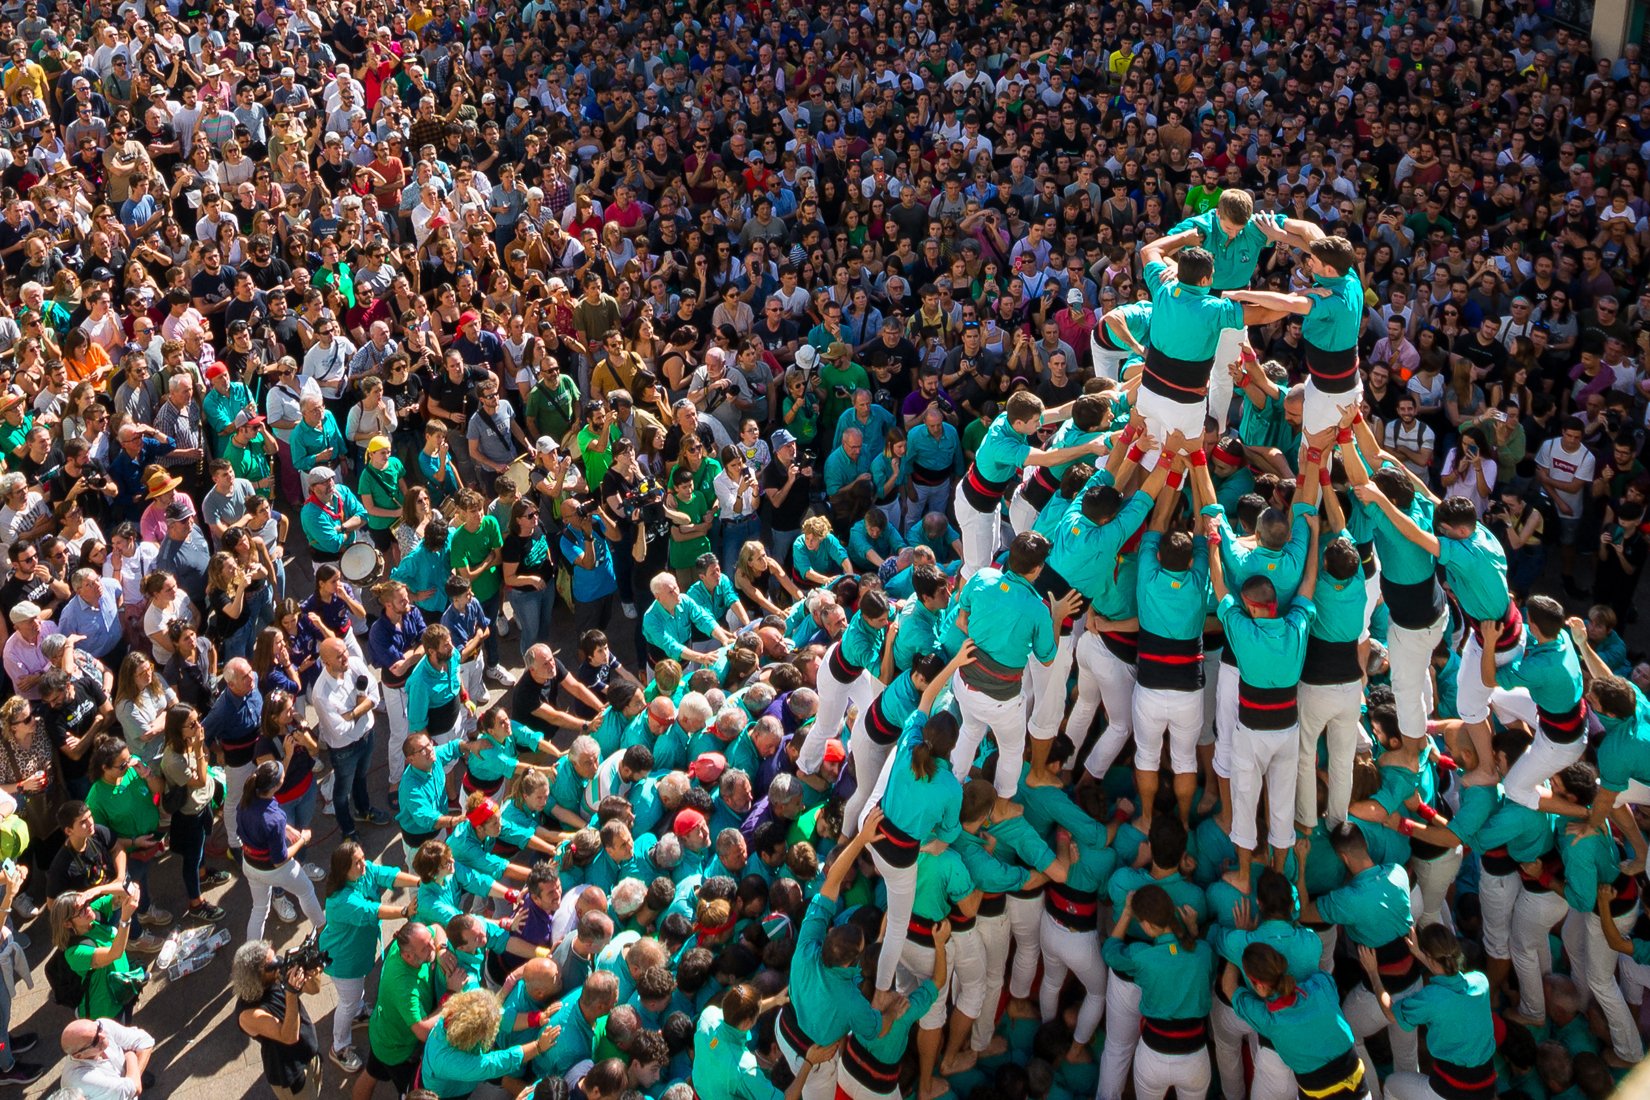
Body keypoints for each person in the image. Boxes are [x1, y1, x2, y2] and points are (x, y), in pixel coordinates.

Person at [318, 840, 420, 1074]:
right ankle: (339, 1047)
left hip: (357, 955)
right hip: (345, 961)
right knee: (347, 1001)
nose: (364, 864)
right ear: (344, 869)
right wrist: (404, 911)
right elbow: (370, 910)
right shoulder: (342, 901)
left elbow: (388, 875)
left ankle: (358, 1011)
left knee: (355, 994)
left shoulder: (362, 873)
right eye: (357, 862)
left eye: (363, 858)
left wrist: (419, 881)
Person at [235, 760, 325, 941]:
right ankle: (324, 929)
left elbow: (259, 824)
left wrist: (286, 828)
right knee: (306, 890)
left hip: (250, 864)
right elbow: (280, 858)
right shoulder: (274, 819)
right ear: (278, 785)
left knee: (259, 909)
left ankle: (252, 953)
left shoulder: (246, 801)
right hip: (274, 870)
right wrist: (302, 840)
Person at [232, 939, 325, 1100]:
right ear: (256, 976)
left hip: (311, 1055)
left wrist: (310, 971)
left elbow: (314, 989)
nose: (278, 964)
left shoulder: (277, 970)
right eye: (271, 965)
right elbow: (288, 1037)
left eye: (275, 957)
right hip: (293, 1073)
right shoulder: (248, 1014)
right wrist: (291, 993)